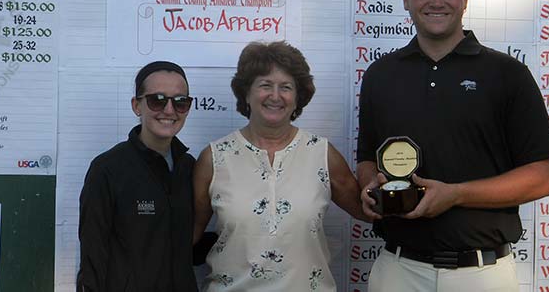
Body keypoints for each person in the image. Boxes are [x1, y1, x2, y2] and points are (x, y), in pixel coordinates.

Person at [357, 0, 549, 291]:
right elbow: (367, 158)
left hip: (482, 273)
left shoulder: (507, 74)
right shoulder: (380, 75)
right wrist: (368, 186)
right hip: (398, 270)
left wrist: (455, 195)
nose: (436, 1)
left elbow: (542, 178)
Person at [193, 41, 369, 291]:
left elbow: (368, 210)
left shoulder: (322, 153)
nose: (275, 96)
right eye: (265, 85)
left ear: (298, 98)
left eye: (286, 87)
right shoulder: (213, 158)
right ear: (246, 93)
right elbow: (188, 236)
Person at [77, 61, 197, 292]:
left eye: (180, 102)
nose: (169, 110)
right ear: (136, 106)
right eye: (157, 100)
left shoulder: (189, 168)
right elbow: (93, 257)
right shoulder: (107, 169)